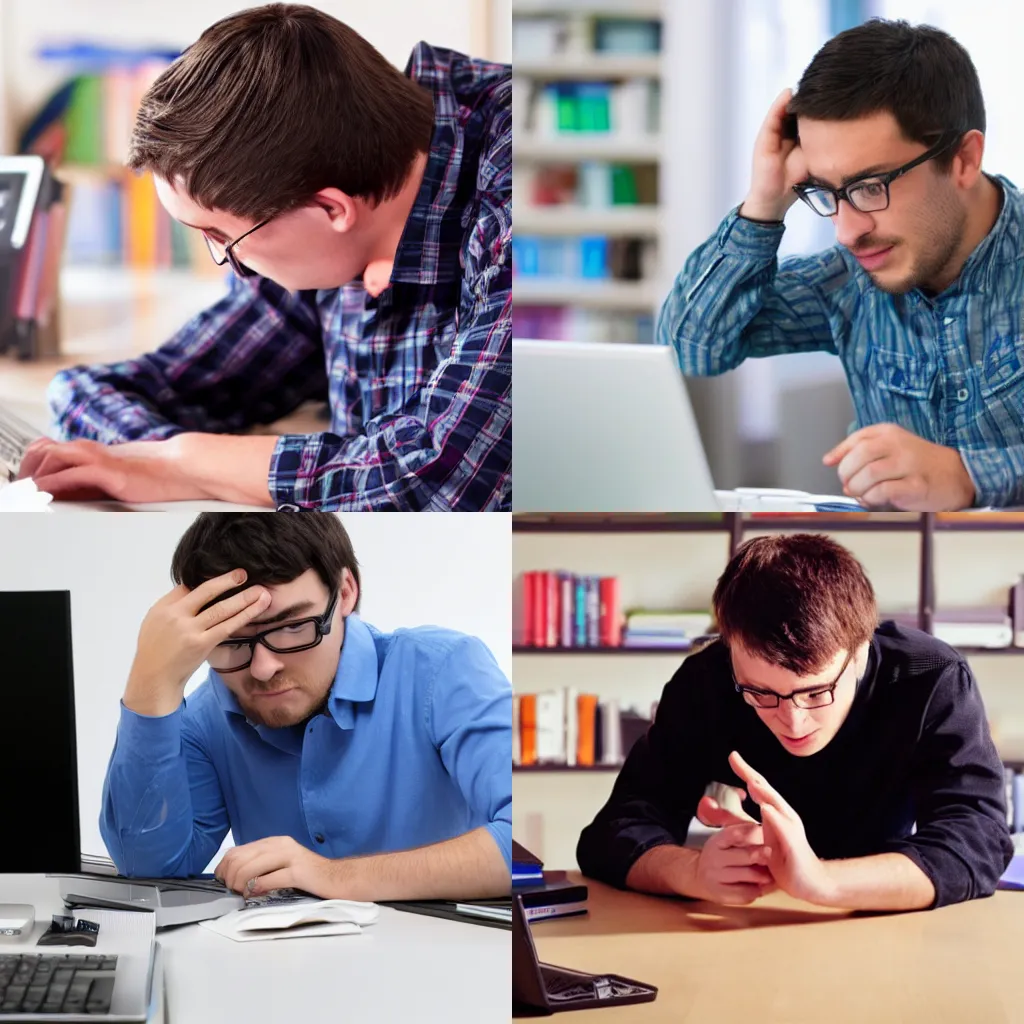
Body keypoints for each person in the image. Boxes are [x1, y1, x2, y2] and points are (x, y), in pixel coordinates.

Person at [18, 4, 510, 511]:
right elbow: (99, 393)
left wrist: (179, 463)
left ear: (330, 208)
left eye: (223, 237)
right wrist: (156, 464)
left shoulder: (513, 197)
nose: (228, 264)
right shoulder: (320, 185)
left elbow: (438, 482)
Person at [657, 19, 1023, 512]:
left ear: (963, 159)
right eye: (825, 192)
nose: (847, 232)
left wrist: (967, 477)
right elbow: (690, 347)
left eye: (871, 187)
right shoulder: (848, 280)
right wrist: (765, 201)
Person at [577, 533, 1012, 911]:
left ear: (861, 646)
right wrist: (693, 871)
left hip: (884, 914)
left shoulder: (931, 677)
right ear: (731, 649)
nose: (792, 719)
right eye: (760, 693)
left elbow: (978, 838)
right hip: (748, 924)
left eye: (816, 692)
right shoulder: (705, 681)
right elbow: (612, 832)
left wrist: (821, 881)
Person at [100, 513, 512, 900]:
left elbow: (530, 847)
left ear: (346, 592)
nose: (263, 669)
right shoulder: (206, 716)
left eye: (294, 626)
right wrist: (149, 682)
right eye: (230, 640)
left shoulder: (444, 670)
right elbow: (150, 872)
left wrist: (331, 876)